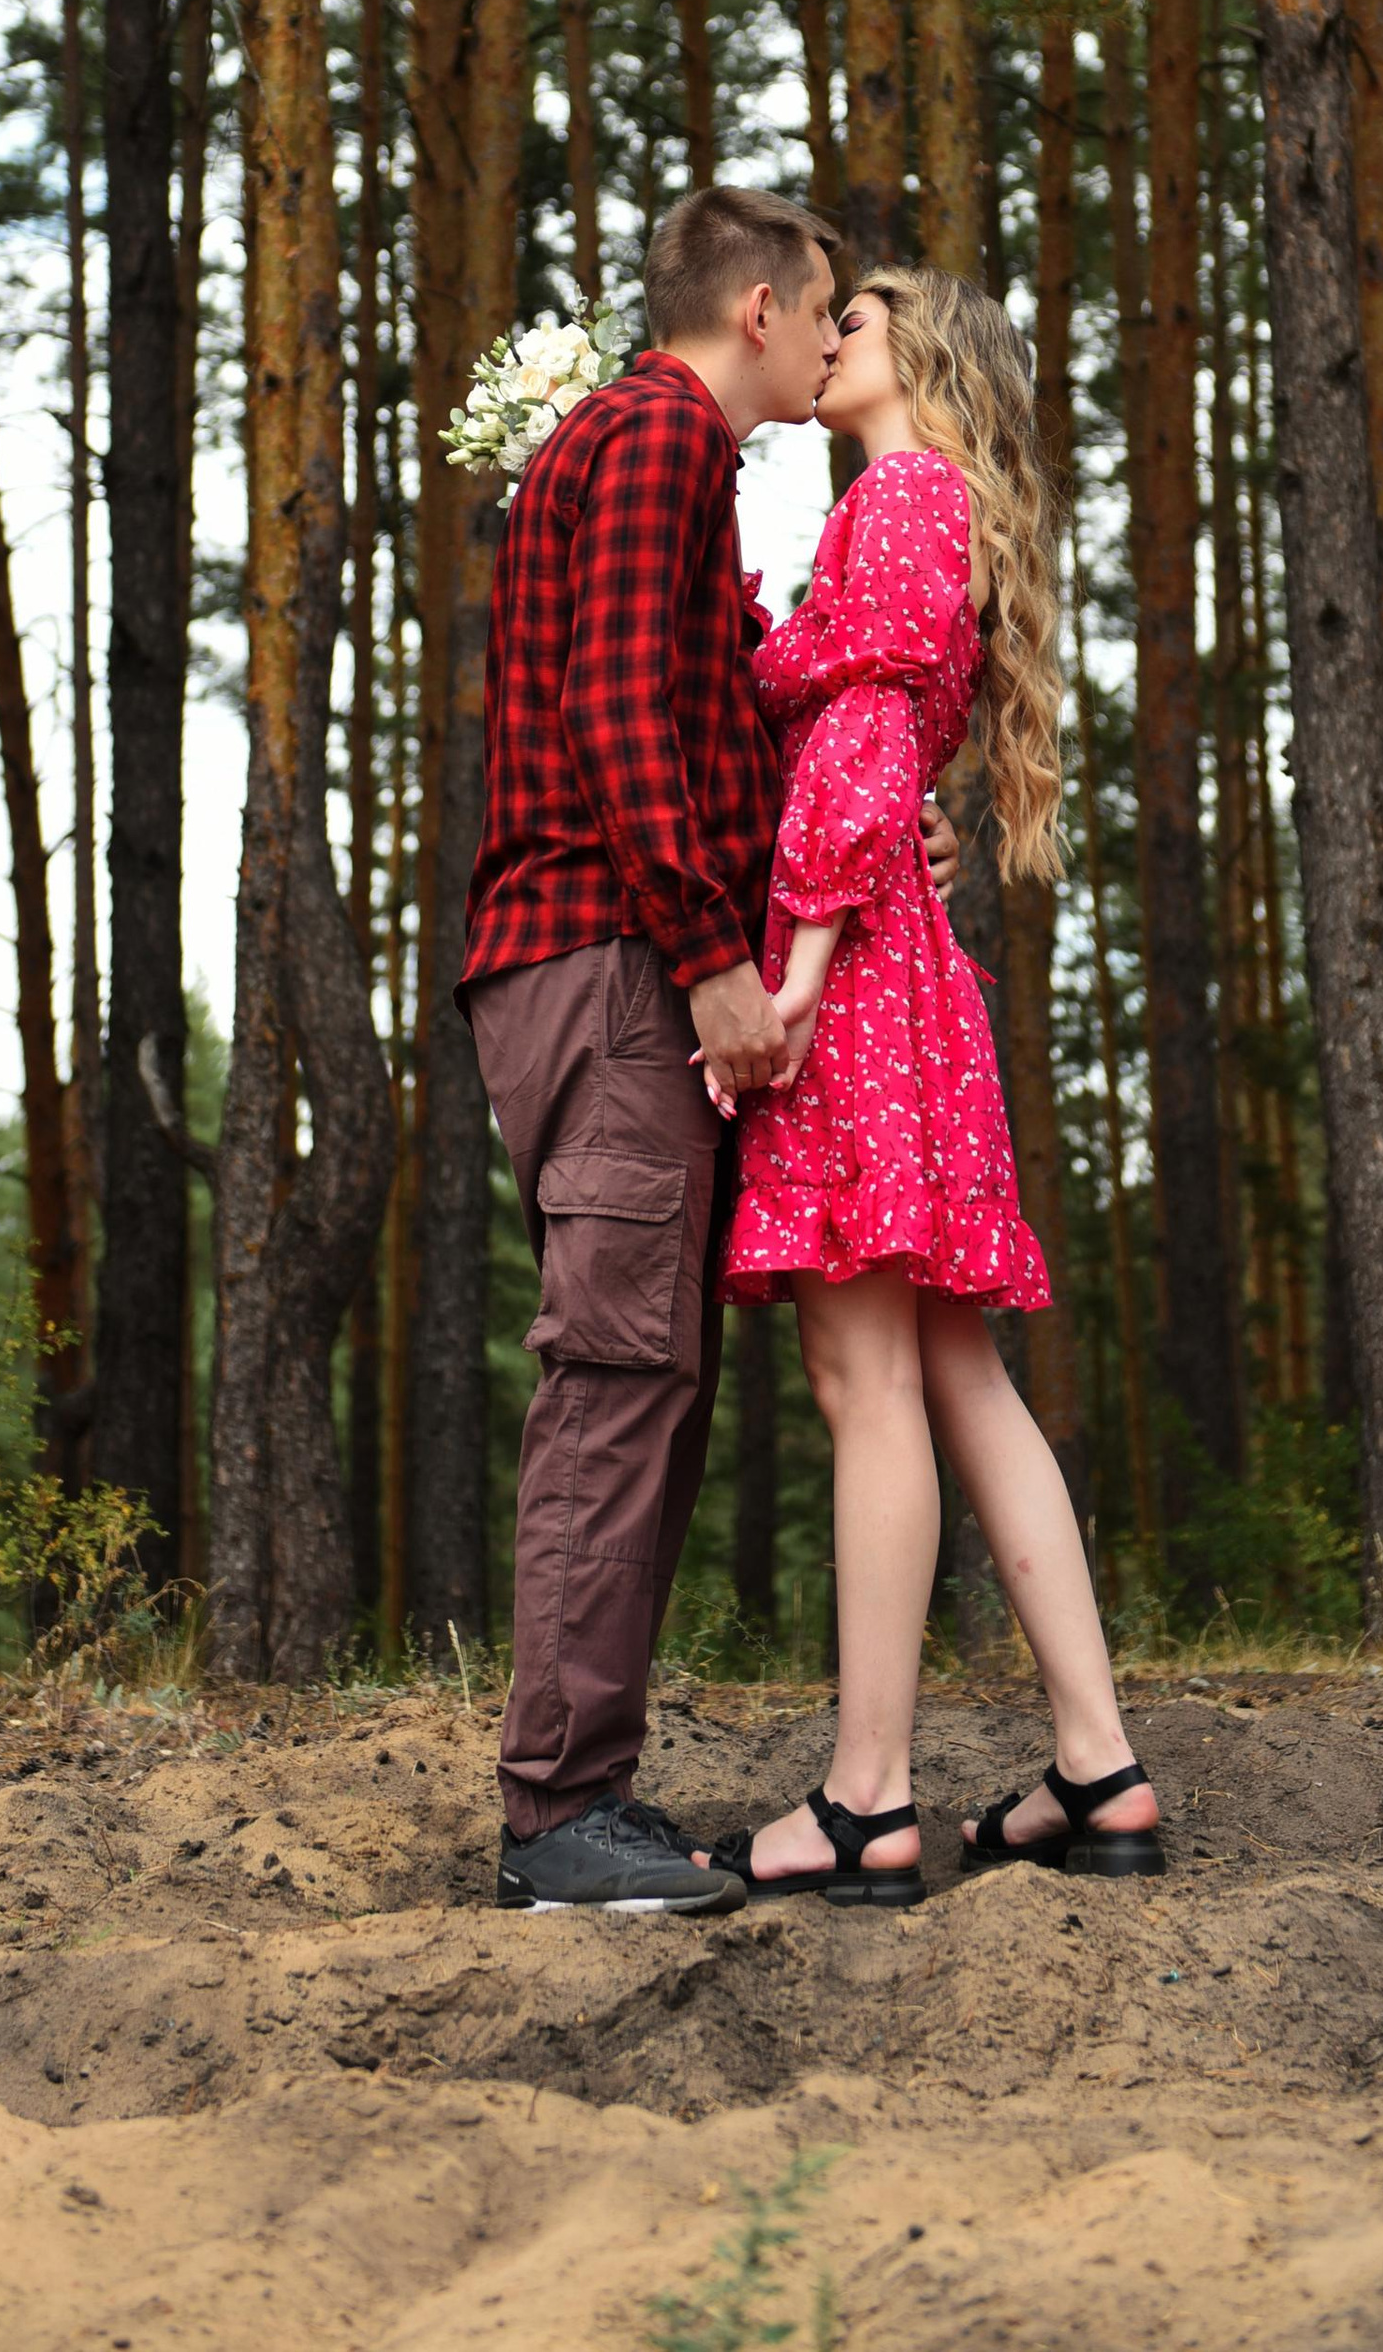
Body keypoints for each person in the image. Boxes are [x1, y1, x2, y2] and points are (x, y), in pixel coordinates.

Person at [463, 186, 961, 1915]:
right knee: (614, 1375)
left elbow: (711, 723)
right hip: (605, 967)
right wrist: (705, 961)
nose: (838, 339)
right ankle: (553, 1824)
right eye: (825, 308)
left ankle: (585, 1798)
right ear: (756, 309)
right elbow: (615, 720)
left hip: (606, 959)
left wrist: (875, 842)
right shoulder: (660, 438)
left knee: (650, 1375)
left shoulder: (640, 453)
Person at [698, 266, 1163, 1907]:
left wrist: (797, 988)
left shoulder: (897, 492)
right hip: (914, 981)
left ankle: (866, 1798)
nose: (830, 340)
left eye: (861, 321)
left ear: (927, 362)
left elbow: (862, 757)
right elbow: (883, 750)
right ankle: (1100, 1768)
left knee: (868, 1385)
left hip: (861, 985)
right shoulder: (931, 507)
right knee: (963, 1381)